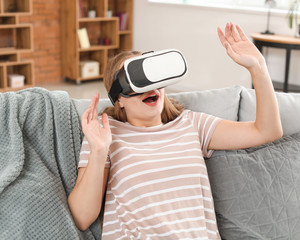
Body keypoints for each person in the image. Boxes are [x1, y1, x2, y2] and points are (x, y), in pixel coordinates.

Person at [68, 23, 283, 239]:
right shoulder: (105, 134)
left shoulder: (191, 124)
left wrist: (258, 67)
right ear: (120, 99)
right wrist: (98, 151)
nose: (150, 88)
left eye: (153, 77)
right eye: (137, 81)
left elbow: (267, 131)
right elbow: (82, 218)